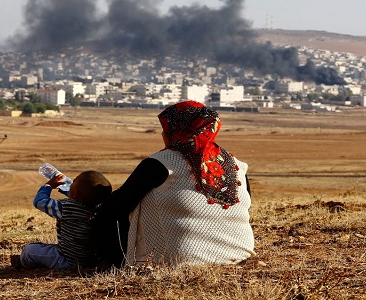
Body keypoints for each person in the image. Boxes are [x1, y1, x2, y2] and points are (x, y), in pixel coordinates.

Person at [92, 100, 254, 267]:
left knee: (107, 215)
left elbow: (117, 206)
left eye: (165, 130)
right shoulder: (236, 166)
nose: (163, 135)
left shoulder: (161, 163)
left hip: (177, 261)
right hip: (240, 255)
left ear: (175, 131)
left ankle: (106, 263)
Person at [12, 170, 112, 269]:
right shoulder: (100, 209)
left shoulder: (66, 208)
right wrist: (64, 187)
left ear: (75, 193)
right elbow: (78, 197)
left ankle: (21, 262)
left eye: (73, 181)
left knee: (30, 250)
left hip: (67, 260)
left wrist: (48, 186)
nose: (71, 182)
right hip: (91, 260)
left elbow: (40, 202)